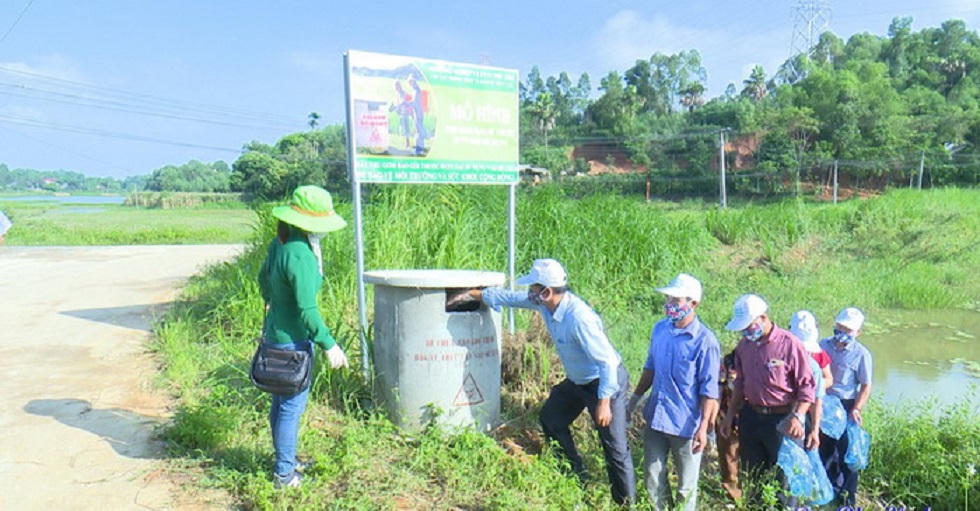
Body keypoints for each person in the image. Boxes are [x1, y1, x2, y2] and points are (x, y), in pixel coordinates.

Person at [450, 259, 636, 505]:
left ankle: (626, 504)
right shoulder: (545, 304)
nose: (530, 293)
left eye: (533, 288)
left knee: (614, 447)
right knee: (551, 418)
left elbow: (608, 362)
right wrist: (474, 294)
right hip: (578, 381)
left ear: (546, 292)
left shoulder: (579, 318)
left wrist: (604, 402)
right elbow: (512, 298)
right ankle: (575, 477)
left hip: (604, 382)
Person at [258, 185, 351, 489]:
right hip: (294, 342)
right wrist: (329, 344)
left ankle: (286, 459)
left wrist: (272, 300)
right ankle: (285, 475)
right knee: (290, 407)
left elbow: (263, 279)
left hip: (274, 335)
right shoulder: (301, 255)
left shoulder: (280, 243)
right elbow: (307, 309)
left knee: (280, 402)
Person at [626, 273, 720, 511]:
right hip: (657, 416)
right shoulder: (660, 330)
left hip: (686, 425)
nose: (669, 305)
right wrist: (634, 400)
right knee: (652, 477)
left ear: (693, 304)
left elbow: (709, 390)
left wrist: (703, 428)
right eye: (668, 299)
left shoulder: (705, 341)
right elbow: (650, 368)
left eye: (676, 301)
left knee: (686, 486)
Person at [719, 294, 815, 480]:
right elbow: (740, 384)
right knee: (753, 475)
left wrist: (798, 417)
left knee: (784, 478)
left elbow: (807, 386)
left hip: (782, 419)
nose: (746, 332)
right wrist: (730, 415)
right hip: (751, 417)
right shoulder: (744, 346)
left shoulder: (790, 345)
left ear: (763, 317)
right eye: (743, 329)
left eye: (749, 326)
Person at [819, 307, 873, 507]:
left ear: (857, 333)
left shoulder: (861, 354)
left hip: (846, 405)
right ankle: (826, 494)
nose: (842, 333)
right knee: (824, 450)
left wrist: (856, 408)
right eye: (839, 327)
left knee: (847, 454)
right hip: (823, 403)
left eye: (848, 330)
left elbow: (866, 385)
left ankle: (847, 500)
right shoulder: (822, 345)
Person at [789, 310, 827, 451]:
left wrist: (815, 431)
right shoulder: (776, 357)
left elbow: (817, 399)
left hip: (798, 420)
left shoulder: (813, 367)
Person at [714, 349, 742, 500]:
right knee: (729, 462)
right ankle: (734, 500)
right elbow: (719, 389)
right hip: (728, 419)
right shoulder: (730, 361)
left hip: (756, 419)